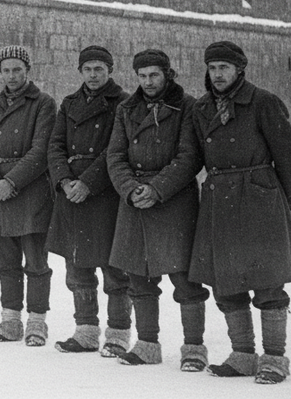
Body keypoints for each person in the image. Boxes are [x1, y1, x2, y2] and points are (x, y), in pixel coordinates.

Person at [189, 41, 291, 385]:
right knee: (226, 282)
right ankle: (242, 355)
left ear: (240, 69)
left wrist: (275, 202)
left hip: (259, 202)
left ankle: (274, 359)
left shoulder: (263, 102)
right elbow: (194, 156)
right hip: (219, 202)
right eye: (212, 68)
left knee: (267, 283)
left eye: (224, 68)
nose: (218, 74)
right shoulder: (201, 108)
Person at [106, 49, 209, 370]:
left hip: (173, 201)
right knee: (139, 277)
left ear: (167, 74)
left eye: (154, 75)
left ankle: (194, 348)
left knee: (185, 279)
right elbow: (115, 156)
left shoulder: (187, 106)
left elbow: (189, 156)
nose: (148, 82)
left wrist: (157, 189)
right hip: (134, 201)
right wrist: (130, 189)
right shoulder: (126, 109)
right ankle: (148, 344)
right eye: (142, 76)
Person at [47, 45, 133, 356]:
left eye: (99, 69)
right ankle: (85, 332)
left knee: (114, 269)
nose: (93, 75)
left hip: (104, 193)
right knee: (77, 266)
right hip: (71, 193)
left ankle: (118, 334)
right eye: (88, 69)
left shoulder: (123, 103)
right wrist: (65, 180)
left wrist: (88, 183)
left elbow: (116, 149)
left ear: (110, 70)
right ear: (80, 71)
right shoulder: (69, 103)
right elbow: (55, 145)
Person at [0, 46, 57, 346]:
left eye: (17, 70)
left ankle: (37, 322)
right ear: (0, 72)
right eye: (6, 70)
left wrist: (11, 181)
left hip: (30, 191)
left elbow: (41, 150)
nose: (11, 76)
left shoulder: (43, 103)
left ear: (27, 71)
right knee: (6, 262)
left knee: (36, 262)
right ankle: (10, 320)